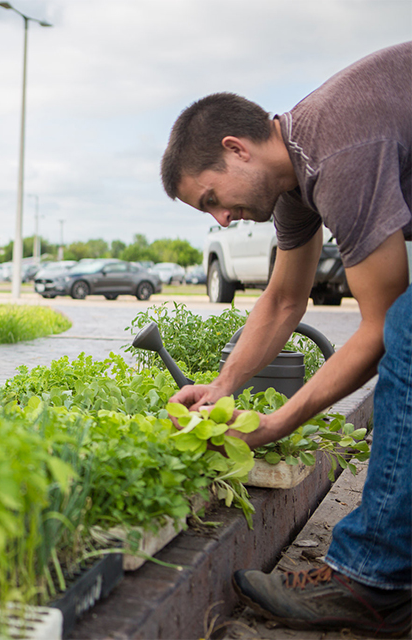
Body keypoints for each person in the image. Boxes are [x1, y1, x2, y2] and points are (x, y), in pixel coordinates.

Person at [161, 42, 411, 637]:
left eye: (211, 200)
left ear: (235, 149)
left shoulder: (337, 152)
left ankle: (371, 581)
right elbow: (282, 301)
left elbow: (378, 327)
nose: (220, 222)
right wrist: (220, 389)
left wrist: (279, 423)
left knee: (406, 328)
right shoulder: (297, 172)